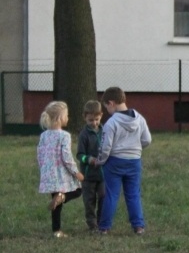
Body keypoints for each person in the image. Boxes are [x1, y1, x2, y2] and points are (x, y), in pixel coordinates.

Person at [93, 87, 152, 235]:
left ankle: (104, 227)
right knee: (133, 194)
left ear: (111, 103)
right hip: (134, 161)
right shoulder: (139, 119)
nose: (107, 111)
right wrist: (136, 149)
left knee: (112, 194)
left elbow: (105, 147)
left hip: (114, 162)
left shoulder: (111, 123)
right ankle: (138, 226)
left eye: (106, 107)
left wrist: (100, 161)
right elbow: (147, 140)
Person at [37, 101, 84, 238]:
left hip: (49, 173)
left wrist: (43, 170)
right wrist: (76, 173)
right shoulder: (64, 136)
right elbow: (66, 157)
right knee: (78, 190)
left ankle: (56, 231)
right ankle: (63, 197)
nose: (68, 118)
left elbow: (40, 154)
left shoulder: (44, 135)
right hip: (62, 173)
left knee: (56, 204)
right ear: (60, 118)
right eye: (67, 115)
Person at [76, 100, 105, 232]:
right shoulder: (84, 135)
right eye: (90, 120)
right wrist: (88, 159)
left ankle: (101, 222)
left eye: (96, 119)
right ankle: (92, 225)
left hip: (103, 173)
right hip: (88, 175)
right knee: (89, 201)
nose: (94, 123)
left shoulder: (105, 131)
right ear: (85, 118)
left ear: (101, 116)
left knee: (104, 197)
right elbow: (79, 155)